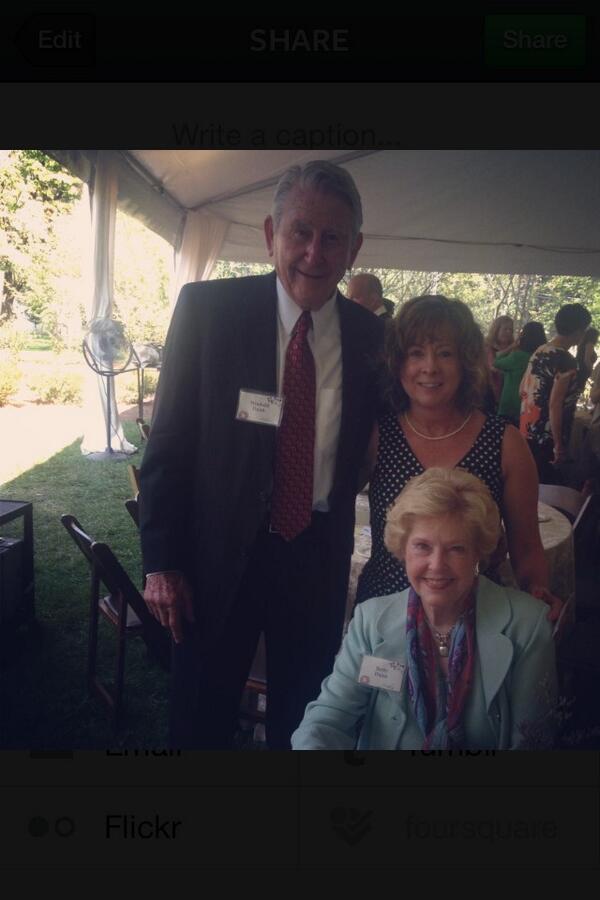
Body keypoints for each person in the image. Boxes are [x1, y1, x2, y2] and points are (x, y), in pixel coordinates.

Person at [139, 160, 383, 749]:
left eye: (332, 238)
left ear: (354, 249)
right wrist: (162, 563)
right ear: (272, 234)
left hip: (316, 559)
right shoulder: (208, 311)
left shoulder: (370, 336)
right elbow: (168, 443)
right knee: (201, 713)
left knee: (305, 714)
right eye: (301, 232)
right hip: (216, 557)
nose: (314, 253)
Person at [292, 468, 558, 750]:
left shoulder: (527, 627)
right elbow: (329, 719)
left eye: (456, 548)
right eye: (422, 546)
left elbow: (532, 745)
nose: (437, 565)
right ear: (403, 550)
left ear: (478, 553)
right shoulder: (370, 621)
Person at [356, 294, 560, 620]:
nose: (430, 367)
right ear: (397, 362)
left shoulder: (505, 443)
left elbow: (526, 548)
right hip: (384, 617)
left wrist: (538, 595)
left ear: (466, 361)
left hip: (478, 619)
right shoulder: (375, 434)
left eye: (445, 353)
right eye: (416, 353)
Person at [520, 303, 592, 485]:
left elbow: (522, 389)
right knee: (546, 487)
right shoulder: (566, 360)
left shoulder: (540, 350)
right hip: (548, 435)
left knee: (529, 481)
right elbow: (555, 404)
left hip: (527, 427)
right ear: (578, 331)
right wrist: (559, 445)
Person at [493, 321, 547, 424]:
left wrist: (512, 346)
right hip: (529, 406)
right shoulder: (541, 358)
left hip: (510, 406)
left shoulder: (517, 357)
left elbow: (496, 361)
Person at [485, 315, 514, 407]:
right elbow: (493, 366)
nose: (508, 332)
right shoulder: (488, 346)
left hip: (507, 393)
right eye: (505, 329)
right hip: (488, 391)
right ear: (496, 329)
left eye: (510, 330)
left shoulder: (515, 349)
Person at [575, 326, 599, 391]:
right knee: (578, 389)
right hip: (583, 371)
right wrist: (592, 372)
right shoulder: (590, 345)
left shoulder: (581, 343)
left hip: (577, 368)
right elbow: (587, 360)